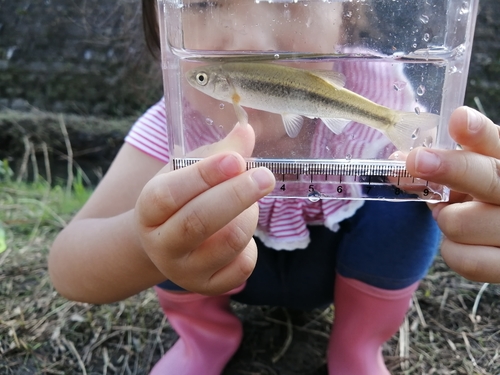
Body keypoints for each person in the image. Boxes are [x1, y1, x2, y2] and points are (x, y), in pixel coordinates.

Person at [48, 2, 498, 375]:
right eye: (205, 1)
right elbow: (67, 266)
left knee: (405, 195)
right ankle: (203, 338)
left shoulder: (376, 89)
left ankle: (358, 346)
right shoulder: (171, 128)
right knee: (170, 203)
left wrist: (460, 193)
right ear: (163, 27)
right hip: (224, 275)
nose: (251, 43)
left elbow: (430, 173)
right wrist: (148, 238)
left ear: (346, 12)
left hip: (341, 266)